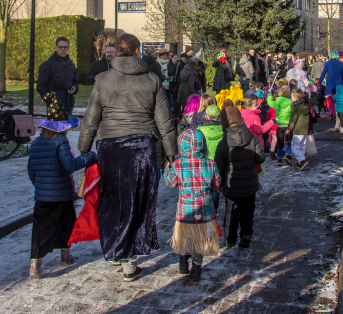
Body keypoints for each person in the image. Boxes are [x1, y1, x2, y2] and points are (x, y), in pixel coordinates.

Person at [79, 34, 178, 281]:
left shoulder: (102, 79)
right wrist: (171, 153)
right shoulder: (152, 79)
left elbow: (91, 117)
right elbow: (164, 121)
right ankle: (129, 259)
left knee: (113, 199)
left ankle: (116, 248)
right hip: (141, 146)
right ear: (136, 52)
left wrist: (84, 148)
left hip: (110, 146)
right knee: (139, 201)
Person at [28, 96, 97, 279]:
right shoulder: (60, 142)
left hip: (42, 197)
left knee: (40, 230)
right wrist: (90, 157)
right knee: (65, 226)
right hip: (62, 196)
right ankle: (65, 257)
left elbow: (31, 171)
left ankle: (35, 265)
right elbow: (70, 165)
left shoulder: (34, 145)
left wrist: (40, 186)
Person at [163, 128, 221, 281]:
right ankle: (196, 267)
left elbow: (170, 183)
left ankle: (183, 264)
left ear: (182, 145)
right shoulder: (210, 163)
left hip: (185, 209)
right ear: (203, 145)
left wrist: (166, 170)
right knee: (200, 239)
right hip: (205, 208)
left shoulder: (177, 164)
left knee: (184, 237)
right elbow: (217, 184)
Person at [215, 105, 265, 249]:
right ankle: (246, 234)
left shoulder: (224, 142)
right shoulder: (252, 137)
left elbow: (219, 165)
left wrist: (219, 184)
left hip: (232, 184)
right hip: (250, 183)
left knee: (231, 211)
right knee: (248, 211)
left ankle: (230, 239)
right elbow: (260, 158)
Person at [37, 37, 80, 115]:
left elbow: (75, 81)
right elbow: (41, 86)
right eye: (60, 47)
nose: (63, 49)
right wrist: (51, 101)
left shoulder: (71, 64)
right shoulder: (47, 65)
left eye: (65, 47)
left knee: (67, 127)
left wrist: (75, 88)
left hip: (68, 106)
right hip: (54, 107)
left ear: (68, 48)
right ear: (56, 47)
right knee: (54, 127)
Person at [199, 105, 224, 212]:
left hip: (204, 163)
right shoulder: (223, 130)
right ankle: (215, 209)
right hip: (218, 164)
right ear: (219, 117)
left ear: (206, 116)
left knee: (204, 187)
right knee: (215, 188)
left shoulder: (200, 130)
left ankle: (204, 209)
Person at [286, 89, 312, 170]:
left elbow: (292, 121)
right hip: (305, 130)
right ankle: (301, 162)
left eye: (292, 97)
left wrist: (288, 130)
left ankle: (302, 160)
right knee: (302, 147)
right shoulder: (305, 106)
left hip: (297, 131)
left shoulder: (295, 108)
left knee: (295, 148)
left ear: (296, 98)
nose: (291, 98)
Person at [268, 86, 292, 166]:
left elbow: (269, 102)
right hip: (288, 125)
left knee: (280, 141)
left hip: (280, 125)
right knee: (289, 140)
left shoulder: (276, 102)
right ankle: (287, 154)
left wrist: (269, 94)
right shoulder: (290, 102)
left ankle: (279, 159)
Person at [318, 51, 343, 119]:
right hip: (339, 81)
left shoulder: (327, 63)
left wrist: (319, 81)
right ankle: (337, 112)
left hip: (330, 81)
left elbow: (323, 73)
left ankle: (331, 113)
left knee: (330, 98)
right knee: (338, 97)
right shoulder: (340, 63)